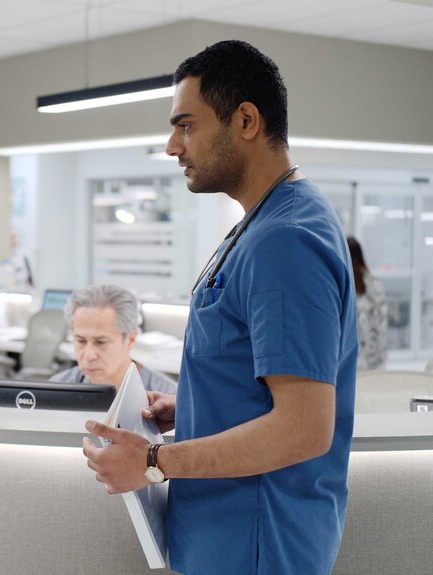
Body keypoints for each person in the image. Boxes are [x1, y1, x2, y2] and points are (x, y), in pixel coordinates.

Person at [82, 40, 357, 574]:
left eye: (186, 125)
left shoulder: (287, 240)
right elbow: (269, 384)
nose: (171, 146)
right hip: (226, 537)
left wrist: (155, 461)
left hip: (257, 544)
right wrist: (196, 407)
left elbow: (303, 428)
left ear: (246, 121)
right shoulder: (262, 223)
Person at [50, 284, 176, 395]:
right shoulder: (57, 388)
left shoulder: (169, 399)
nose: (89, 355)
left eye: (101, 342)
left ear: (131, 339)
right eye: (81, 341)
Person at [347, 236, 388, 370]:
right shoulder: (374, 283)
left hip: (355, 355)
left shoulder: (344, 284)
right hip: (374, 353)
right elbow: (382, 319)